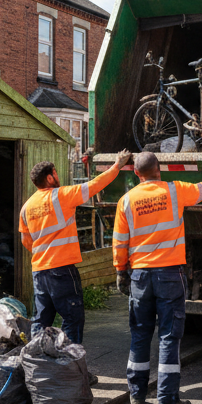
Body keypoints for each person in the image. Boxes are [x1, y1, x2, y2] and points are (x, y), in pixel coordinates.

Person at [113, 151, 202, 404]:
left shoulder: (126, 201)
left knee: (140, 334)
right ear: (159, 170)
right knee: (168, 335)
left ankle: (137, 396)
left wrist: (120, 271)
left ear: (136, 173)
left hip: (140, 276)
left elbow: (120, 241)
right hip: (168, 275)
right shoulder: (175, 192)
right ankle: (167, 399)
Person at [19, 149, 132, 359]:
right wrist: (117, 165)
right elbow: (95, 185)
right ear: (50, 176)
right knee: (72, 319)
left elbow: (26, 241)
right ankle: (72, 368)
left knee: (41, 322)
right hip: (61, 270)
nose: (58, 177)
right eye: (56, 174)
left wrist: (44, 254)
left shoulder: (26, 207)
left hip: (39, 272)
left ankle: (35, 365)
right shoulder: (61, 196)